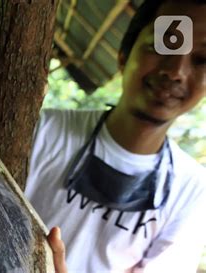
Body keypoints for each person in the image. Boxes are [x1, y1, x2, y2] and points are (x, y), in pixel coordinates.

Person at [24, 0, 206, 272]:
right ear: (124, 55)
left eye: (202, 60)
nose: (176, 71)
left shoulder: (192, 191)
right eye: (163, 44)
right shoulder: (40, 132)